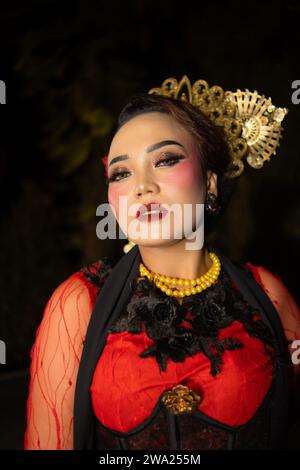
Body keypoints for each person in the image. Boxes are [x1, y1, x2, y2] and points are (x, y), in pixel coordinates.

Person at [24, 76, 300, 450]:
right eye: (121, 173)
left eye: (165, 160)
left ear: (211, 181)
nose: (141, 186)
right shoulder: (79, 302)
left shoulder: (267, 293)